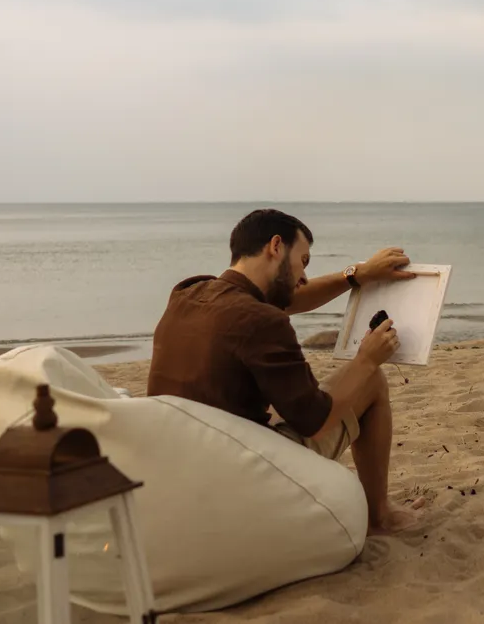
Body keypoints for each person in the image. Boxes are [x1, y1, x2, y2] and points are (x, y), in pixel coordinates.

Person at [147, 208, 424, 534]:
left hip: (178, 464)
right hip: (236, 474)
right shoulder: (262, 320)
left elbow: (287, 300)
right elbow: (315, 422)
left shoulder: (188, 292)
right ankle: (380, 517)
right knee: (371, 380)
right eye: (303, 261)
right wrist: (366, 358)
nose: (304, 277)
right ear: (276, 246)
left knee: (278, 396)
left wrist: (356, 275)